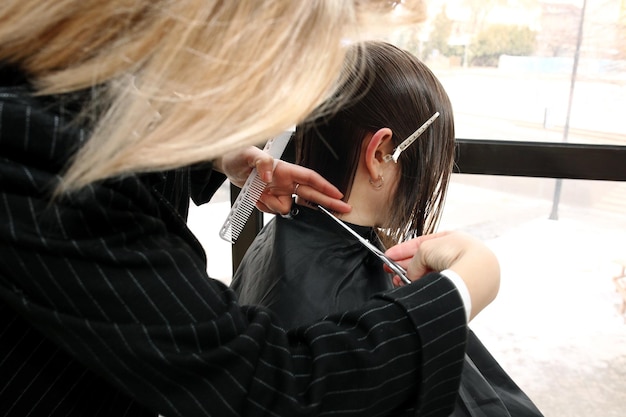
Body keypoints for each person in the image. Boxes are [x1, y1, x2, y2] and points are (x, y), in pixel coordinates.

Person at [0, 1, 499, 416]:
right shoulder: (33, 145)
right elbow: (270, 392)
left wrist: (216, 153)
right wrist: (463, 286)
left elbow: (122, 110)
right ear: (381, 153)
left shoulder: (79, 83)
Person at [232, 41, 543, 416]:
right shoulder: (349, 295)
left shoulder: (278, 236)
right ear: (380, 153)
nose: (428, 180)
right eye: (430, 163)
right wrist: (473, 278)